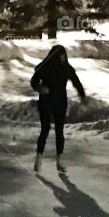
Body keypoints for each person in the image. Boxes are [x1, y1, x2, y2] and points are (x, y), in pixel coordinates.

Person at [31, 44, 86, 172]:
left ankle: (59, 160)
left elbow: (76, 82)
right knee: (44, 130)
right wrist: (40, 88)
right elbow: (34, 81)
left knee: (59, 131)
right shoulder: (45, 67)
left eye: (64, 56)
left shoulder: (66, 68)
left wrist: (82, 95)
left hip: (60, 103)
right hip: (45, 103)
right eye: (60, 56)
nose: (62, 59)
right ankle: (39, 158)